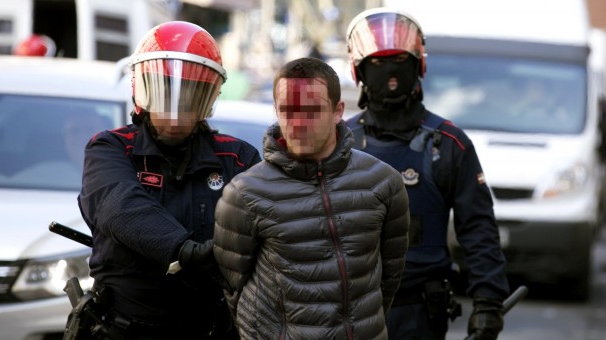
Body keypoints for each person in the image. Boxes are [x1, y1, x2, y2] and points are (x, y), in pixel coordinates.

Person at [76, 21, 261, 339]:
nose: (176, 110)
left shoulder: (238, 158)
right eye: (165, 92)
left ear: (208, 98)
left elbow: (263, 232)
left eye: (189, 95)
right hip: (122, 331)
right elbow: (119, 205)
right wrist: (184, 250)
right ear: (142, 89)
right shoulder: (110, 147)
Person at [213, 57, 410, 339]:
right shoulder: (245, 194)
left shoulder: (383, 182)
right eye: (288, 110)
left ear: (338, 111)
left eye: (312, 110)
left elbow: (389, 278)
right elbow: (233, 289)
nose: (298, 123)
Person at [345, 7, 510, 340]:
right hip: (347, 312)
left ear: (417, 65)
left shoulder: (449, 144)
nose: (390, 72)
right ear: (358, 70)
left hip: (421, 315)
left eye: (399, 61)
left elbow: (478, 229)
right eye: (377, 63)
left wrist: (488, 303)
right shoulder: (339, 142)